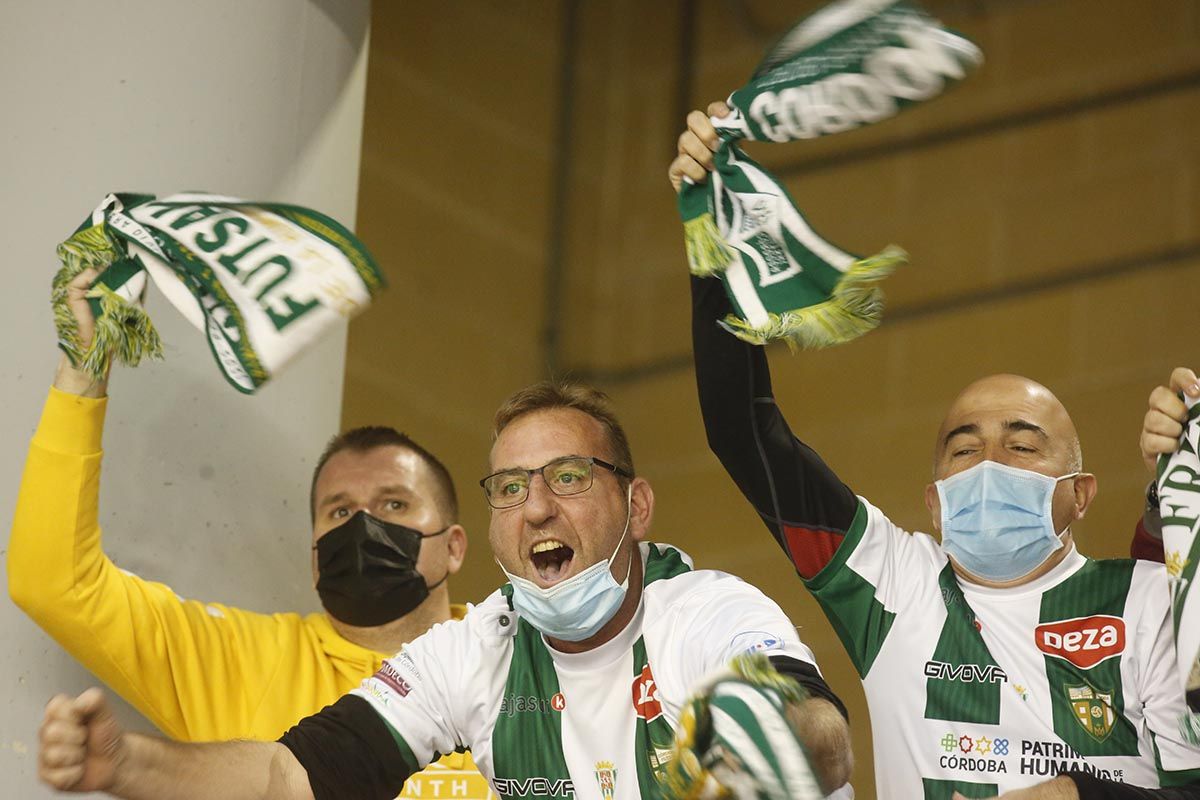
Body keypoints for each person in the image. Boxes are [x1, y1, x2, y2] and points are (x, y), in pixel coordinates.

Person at [671, 102, 1200, 799]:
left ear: (1080, 493)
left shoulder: (1148, 602)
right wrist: (714, 251)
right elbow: (744, 434)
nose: (988, 464)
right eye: (963, 450)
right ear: (933, 503)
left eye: (1021, 446)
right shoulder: (892, 584)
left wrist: (1073, 794)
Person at [36, 379, 855, 800]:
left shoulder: (706, 609)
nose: (536, 505)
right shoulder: (474, 649)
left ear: (636, 506)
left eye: (568, 477)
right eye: (509, 487)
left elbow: (824, 735)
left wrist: (753, 741)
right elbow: (292, 780)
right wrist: (126, 763)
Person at [9, 268, 488, 798]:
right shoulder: (239, 661)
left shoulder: (520, 668)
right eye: (339, 512)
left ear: (454, 545)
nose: (363, 526)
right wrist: (84, 370)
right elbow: (55, 582)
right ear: (313, 557)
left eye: (393, 503)